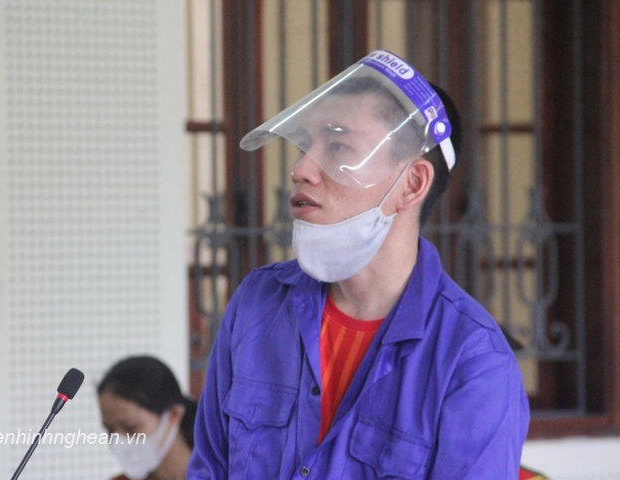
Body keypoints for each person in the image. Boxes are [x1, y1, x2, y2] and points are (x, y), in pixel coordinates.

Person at [187, 49, 529, 479]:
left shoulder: (472, 359)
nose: (300, 169)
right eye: (305, 146)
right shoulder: (259, 303)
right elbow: (209, 468)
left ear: (412, 184)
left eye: (337, 146)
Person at [97, 355, 196, 480]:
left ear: (173, 414)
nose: (118, 441)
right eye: (110, 430)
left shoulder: (217, 472)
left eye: (130, 427)